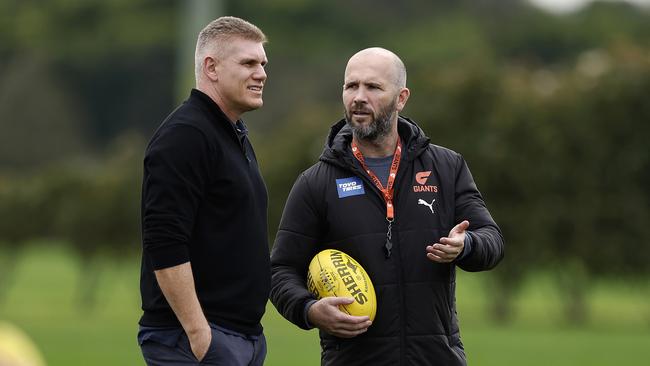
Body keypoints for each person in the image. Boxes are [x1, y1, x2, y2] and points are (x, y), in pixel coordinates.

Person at [270, 47, 504, 365]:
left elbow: (491, 239)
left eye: (373, 87)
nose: (359, 97)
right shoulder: (316, 183)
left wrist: (467, 245)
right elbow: (281, 271)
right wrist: (310, 310)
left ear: (401, 97)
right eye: (351, 86)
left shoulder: (447, 168)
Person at [138, 16, 270, 366]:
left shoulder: (232, 133)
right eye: (248, 63)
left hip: (241, 337)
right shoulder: (186, 135)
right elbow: (164, 240)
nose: (261, 73)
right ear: (211, 67)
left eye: (262, 64)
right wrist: (200, 335)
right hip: (193, 340)